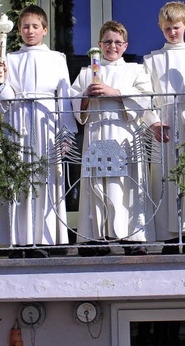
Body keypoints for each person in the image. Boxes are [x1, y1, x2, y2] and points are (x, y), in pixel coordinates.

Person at [0, 5, 77, 258]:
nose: (30, 31)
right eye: (25, 27)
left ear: (44, 29)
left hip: (46, 124)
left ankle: (46, 239)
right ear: (18, 30)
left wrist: (66, 134)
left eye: (35, 26)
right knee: (19, 180)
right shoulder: (9, 59)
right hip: (18, 123)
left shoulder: (56, 58)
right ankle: (20, 240)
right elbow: (1, 103)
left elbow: (63, 98)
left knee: (45, 178)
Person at [71, 21, 154, 256]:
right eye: (107, 42)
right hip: (97, 132)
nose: (112, 46)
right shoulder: (87, 73)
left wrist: (115, 93)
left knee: (124, 184)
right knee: (97, 184)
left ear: (125, 45)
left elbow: (146, 99)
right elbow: (74, 101)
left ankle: (131, 238)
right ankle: (95, 238)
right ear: (99, 45)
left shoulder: (135, 71)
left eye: (118, 42)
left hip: (124, 134)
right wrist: (86, 96)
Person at [141, 0, 185, 254]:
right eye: (168, 27)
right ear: (161, 27)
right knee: (164, 178)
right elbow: (144, 95)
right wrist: (153, 122)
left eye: (177, 27)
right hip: (165, 127)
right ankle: (168, 237)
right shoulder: (152, 61)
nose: (173, 32)